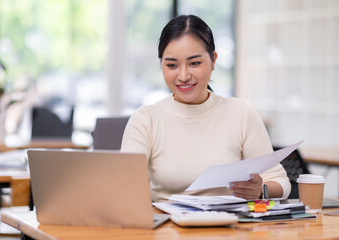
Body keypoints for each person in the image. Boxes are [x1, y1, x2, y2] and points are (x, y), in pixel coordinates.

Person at [121, 15, 291, 202]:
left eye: (194, 63)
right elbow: (125, 186)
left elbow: (281, 182)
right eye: (172, 65)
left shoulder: (241, 113)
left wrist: (261, 190)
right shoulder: (146, 119)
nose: (183, 76)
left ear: (213, 60)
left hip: (229, 226)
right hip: (167, 227)